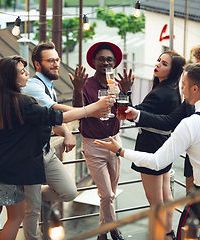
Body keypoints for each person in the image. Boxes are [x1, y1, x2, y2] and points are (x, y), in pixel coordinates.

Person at [94, 63, 200, 240]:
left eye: (183, 84)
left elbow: (156, 162)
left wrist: (121, 151)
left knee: (183, 237)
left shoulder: (191, 124)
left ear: (195, 88)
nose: (181, 89)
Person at [0, 55, 113, 240]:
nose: (27, 73)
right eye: (22, 71)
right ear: (10, 78)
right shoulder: (22, 103)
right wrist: (90, 109)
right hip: (9, 172)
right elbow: (56, 117)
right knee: (15, 218)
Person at [71, 41, 133, 240]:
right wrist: (78, 89)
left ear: (114, 63)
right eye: (101, 59)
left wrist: (126, 92)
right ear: (94, 62)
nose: (106, 62)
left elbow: (124, 115)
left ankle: (102, 234)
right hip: (94, 144)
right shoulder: (86, 85)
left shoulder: (116, 85)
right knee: (106, 195)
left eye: (110, 59)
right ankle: (113, 230)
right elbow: (79, 114)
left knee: (110, 194)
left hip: (114, 142)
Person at [21, 41, 81, 240]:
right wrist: (91, 111)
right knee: (32, 210)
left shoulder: (49, 86)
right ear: (37, 65)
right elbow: (54, 109)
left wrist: (67, 133)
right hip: (29, 157)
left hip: (46, 153)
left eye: (57, 59)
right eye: (51, 61)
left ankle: (32, 193)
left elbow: (53, 120)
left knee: (69, 192)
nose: (56, 64)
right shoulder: (32, 86)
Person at [130, 51, 185, 240]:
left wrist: (125, 92)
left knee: (155, 201)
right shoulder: (172, 91)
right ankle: (168, 233)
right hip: (164, 145)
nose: (158, 65)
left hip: (151, 146)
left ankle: (159, 236)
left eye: (164, 63)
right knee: (165, 194)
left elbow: (134, 113)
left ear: (173, 70)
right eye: (158, 61)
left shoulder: (160, 93)